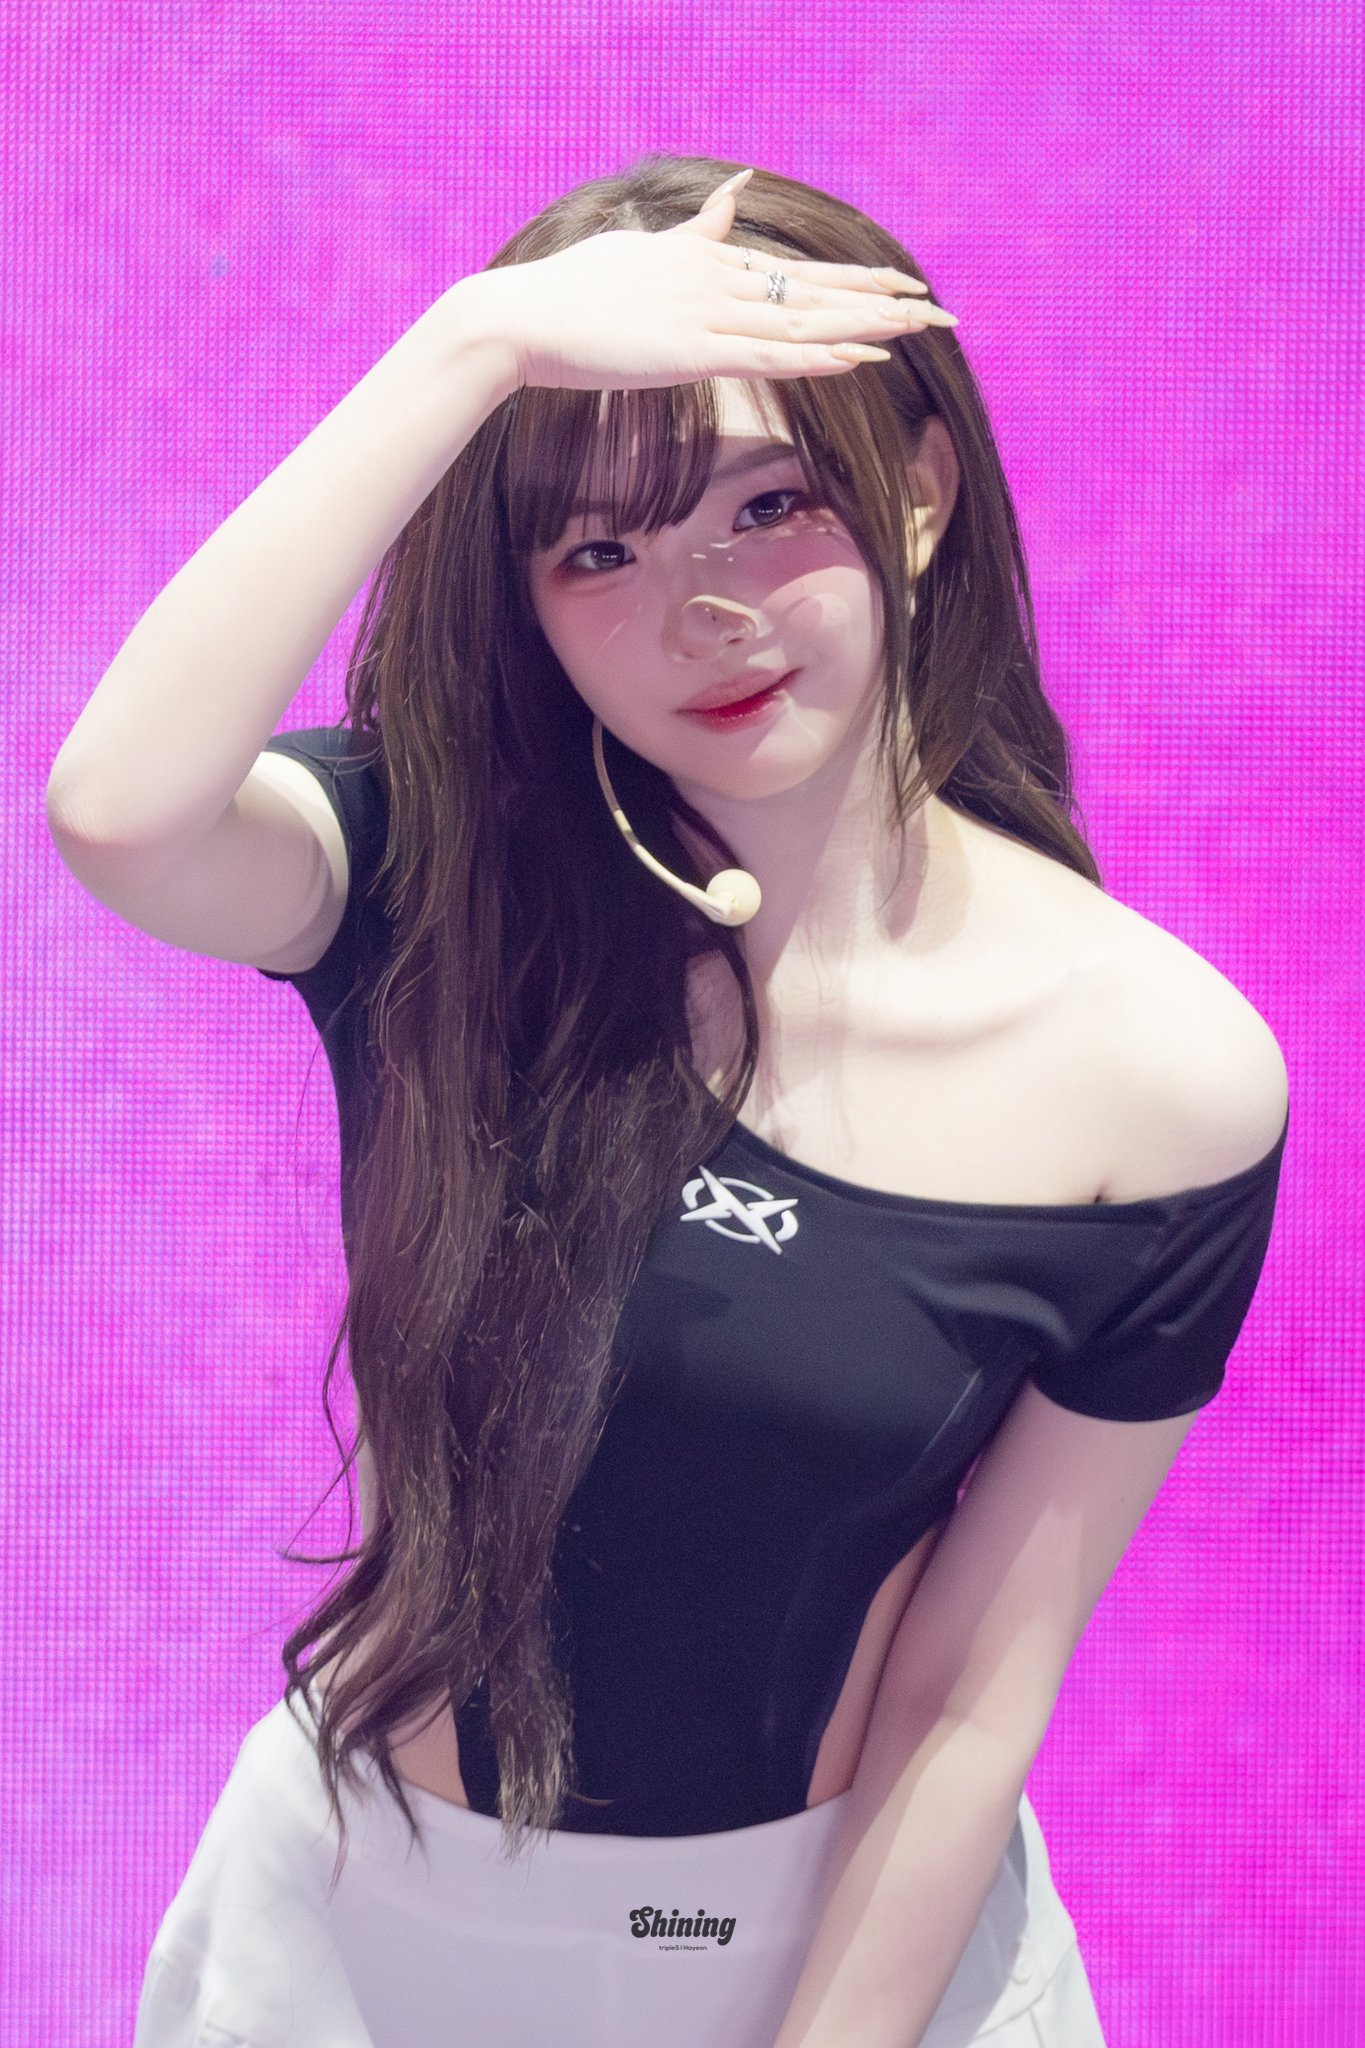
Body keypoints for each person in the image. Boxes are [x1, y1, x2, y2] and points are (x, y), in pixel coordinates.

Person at [47, 154, 1289, 2048]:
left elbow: (969, 1688)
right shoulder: (437, 879)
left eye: (767, 505)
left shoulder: (1158, 1074)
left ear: (921, 492)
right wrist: (469, 346)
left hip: (841, 1954)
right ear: (528, 606)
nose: (702, 610)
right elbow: (119, 813)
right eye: (595, 552)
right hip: (356, 1933)